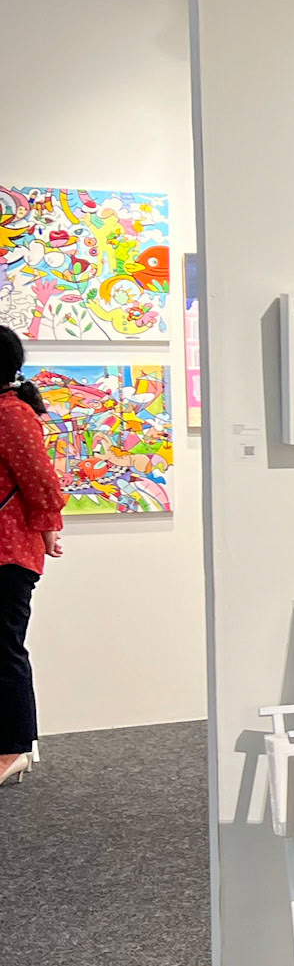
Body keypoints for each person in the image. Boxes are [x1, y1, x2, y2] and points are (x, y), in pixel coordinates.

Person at [0, 325, 66, 786]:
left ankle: (12, 749)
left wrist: (47, 529)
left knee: (3, 652)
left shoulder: (12, 414)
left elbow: (42, 483)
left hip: (7, 552)